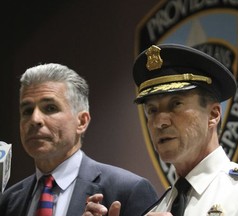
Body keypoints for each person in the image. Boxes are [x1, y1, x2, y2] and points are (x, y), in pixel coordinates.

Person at [83, 44, 238, 216]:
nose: (159, 121)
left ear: (214, 114)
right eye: (152, 110)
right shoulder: (157, 209)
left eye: (176, 104)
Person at [0, 63, 158, 216]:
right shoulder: (8, 201)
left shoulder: (128, 191)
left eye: (50, 108)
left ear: (82, 121)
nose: (35, 119)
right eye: (27, 110)